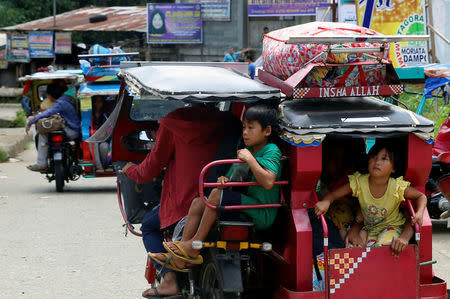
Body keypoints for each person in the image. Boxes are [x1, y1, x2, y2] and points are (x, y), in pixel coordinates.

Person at [121, 104, 239, 298]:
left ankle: (169, 281)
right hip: (221, 195)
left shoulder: (173, 123)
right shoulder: (229, 120)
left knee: (149, 227)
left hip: (183, 203)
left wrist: (130, 170)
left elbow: (150, 168)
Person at [150, 104, 282, 272]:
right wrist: (224, 179)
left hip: (262, 211)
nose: (245, 132)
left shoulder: (271, 150)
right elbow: (234, 175)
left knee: (215, 195)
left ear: (267, 131)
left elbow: (269, 181)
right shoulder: (248, 150)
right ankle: (180, 256)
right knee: (199, 201)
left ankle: (194, 243)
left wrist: (250, 160)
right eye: (244, 127)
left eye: (251, 128)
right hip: (250, 204)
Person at [314, 141, 426, 252]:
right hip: (369, 229)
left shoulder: (397, 186)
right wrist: (326, 202)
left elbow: (421, 196)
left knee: (379, 250)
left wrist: (420, 213)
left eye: (384, 159)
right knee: (355, 249)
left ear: (393, 168)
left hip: (391, 227)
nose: (377, 161)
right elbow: (333, 194)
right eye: (373, 157)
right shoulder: (359, 182)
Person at [25, 83, 80, 172]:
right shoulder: (68, 99)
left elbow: (48, 113)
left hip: (70, 131)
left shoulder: (60, 103)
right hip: (74, 130)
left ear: (49, 95)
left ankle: (41, 164)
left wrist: (30, 122)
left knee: (42, 134)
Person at [90, 95, 112, 173]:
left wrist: (104, 133)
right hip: (93, 138)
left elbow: (109, 128)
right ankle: (99, 167)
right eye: (96, 101)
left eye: (100, 102)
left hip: (103, 138)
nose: (98, 103)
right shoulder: (90, 113)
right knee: (94, 142)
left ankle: (105, 165)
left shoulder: (105, 114)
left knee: (104, 146)